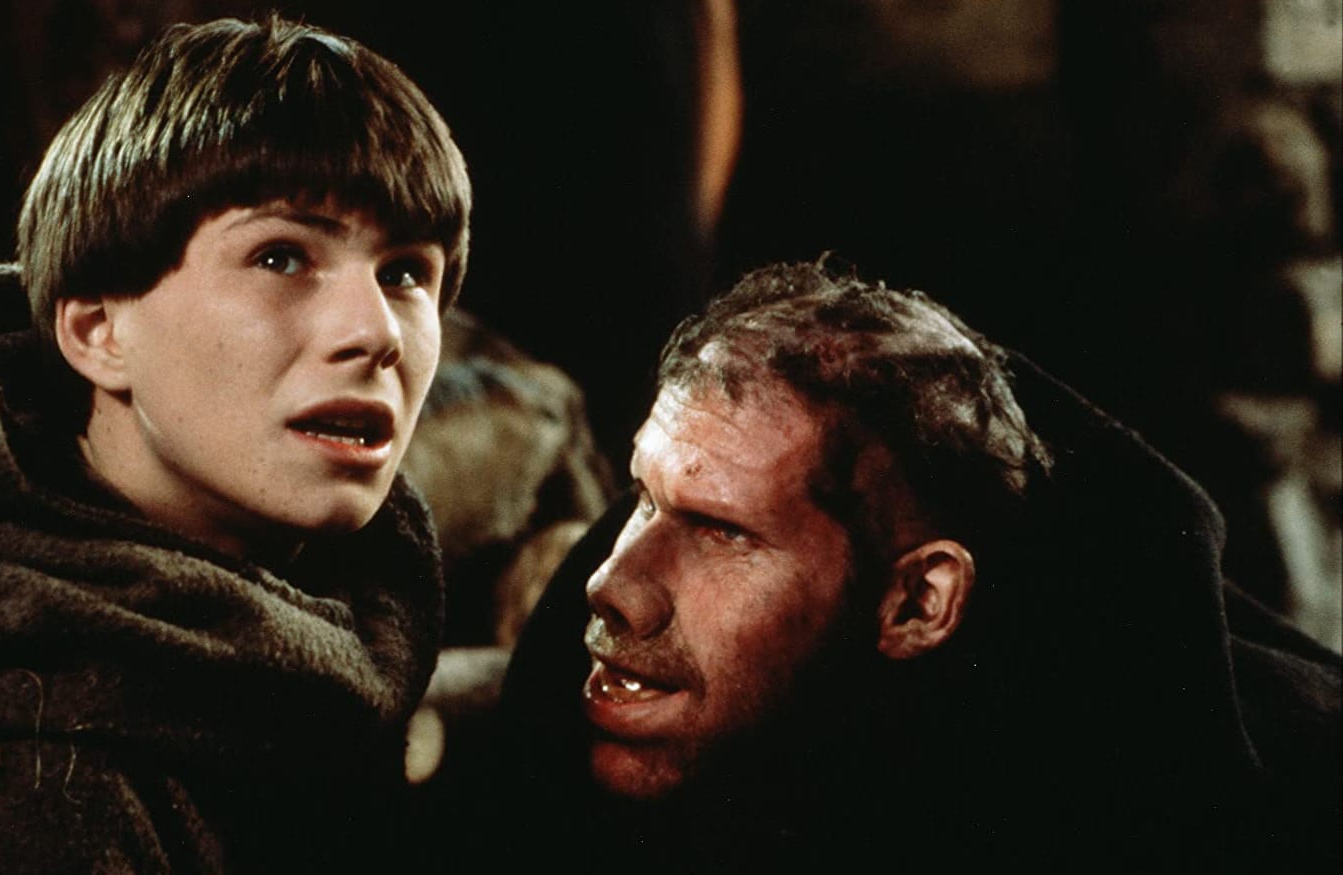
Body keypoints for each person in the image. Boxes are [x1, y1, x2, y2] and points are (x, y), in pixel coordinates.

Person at [0, 16, 469, 872]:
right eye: (281, 257)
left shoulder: (335, 623)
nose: (376, 332)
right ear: (98, 332)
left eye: (405, 272)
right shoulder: (10, 813)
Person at [492, 259, 1341, 872]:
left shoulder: (1157, 812)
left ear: (917, 601)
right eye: (644, 497)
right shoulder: (568, 677)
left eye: (722, 533)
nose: (613, 585)